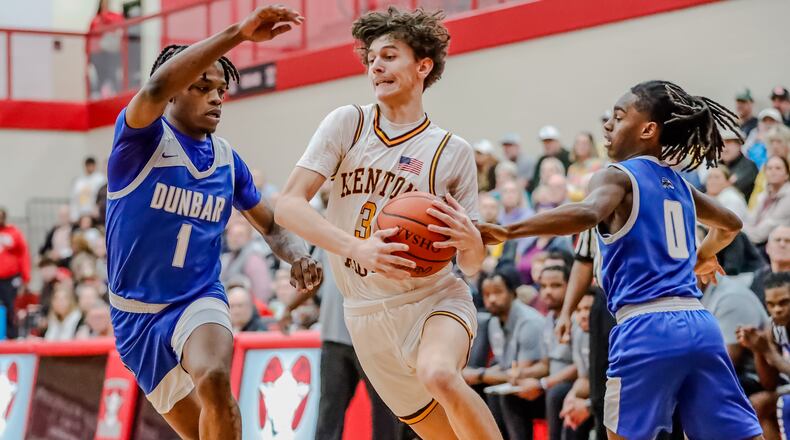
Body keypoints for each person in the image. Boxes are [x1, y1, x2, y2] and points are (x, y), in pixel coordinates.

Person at [482, 80, 763, 439]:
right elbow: (731, 224)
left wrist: (508, 231)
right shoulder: (678, 183)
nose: (607, 125)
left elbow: (586, 212)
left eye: (618, 116)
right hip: (699, 323)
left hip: (645, 327)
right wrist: (701, 256)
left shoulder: (617, 176)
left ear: (648, 129)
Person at [275, 7, 501, 439]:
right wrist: (357, 248)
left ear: (422, 65)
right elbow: (287, 206)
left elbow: (471, 265)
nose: (376, 65)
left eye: (390, 55)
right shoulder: (348, 123)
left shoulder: (450, 151)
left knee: (440, 374)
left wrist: (471, 241)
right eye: (372, 58)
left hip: (433, 299)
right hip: (364, 317)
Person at [104, 7, 321, 440]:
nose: (216, 97)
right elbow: (155, 84)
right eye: (202, 86)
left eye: (221, 89)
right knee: (197, 430)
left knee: (216, 380)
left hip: (198, 298)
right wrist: (238, 33)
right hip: (136, 317)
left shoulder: (227, 161)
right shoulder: (138, 143)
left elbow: (272, 228)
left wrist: (297, 254)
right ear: (173, 94)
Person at [463, 265, 546, 439]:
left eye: (498, 292)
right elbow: (504, 367)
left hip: (540, 388)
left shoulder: (528, 322)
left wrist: (479, 375)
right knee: (488, 389)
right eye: (486, 295)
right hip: (516, 381)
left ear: (513, 293)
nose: (492, 299)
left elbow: (518, 375)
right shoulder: (494, 322)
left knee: (504, 394)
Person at [737, 272, 790, 439]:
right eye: (771, 304)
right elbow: (769, 384)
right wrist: (757, 349)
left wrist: (769, 352)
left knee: (784, 404)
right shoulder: (773, 326)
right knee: (756, 405)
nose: (777, 310)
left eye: (784, 303)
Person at [0, 207, 30, 339]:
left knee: (10, 306)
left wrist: (26, 277)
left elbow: (23, 255)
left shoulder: (14, 233)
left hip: (10, 278)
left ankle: (12, 336)